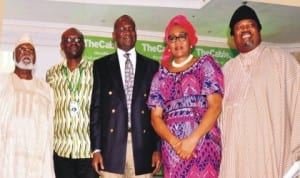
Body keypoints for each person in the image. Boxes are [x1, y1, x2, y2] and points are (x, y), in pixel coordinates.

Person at [219, 5, 300, 178]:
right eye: (239, 27)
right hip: (236, 163)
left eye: (251, 25)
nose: (245, 29)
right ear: (232, 37)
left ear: (259, 30)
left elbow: (298, 101)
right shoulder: (226, 71)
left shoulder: (282, 60)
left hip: (273, 159)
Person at [147, 15, 224, 177]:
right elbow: (155, 118)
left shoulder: (205, 65)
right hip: (173, 151)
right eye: (172, 38)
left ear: (191, 40)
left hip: (203, 145)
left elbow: (216, 106)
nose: (177, 41)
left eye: (182, 36)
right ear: (168, 44)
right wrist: (176, 144)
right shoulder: (160, 75)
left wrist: (192, 140)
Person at [90, 14, 161, 178]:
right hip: (111, 148)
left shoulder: (151, 66)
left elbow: (157, 111)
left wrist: (157, 148)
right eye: (122, 29)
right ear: (114, 35)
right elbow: (96, 110)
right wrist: (96, 149)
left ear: (136, 34)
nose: (127, 32)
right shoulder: (101, 65)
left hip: (143, 147)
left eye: (130, 28)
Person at [0, 34, 55, 178]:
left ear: (35, 57)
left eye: (31, 51)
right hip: (8, 155)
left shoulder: (46, 89)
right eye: (22, 49)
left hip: (37, 157)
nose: (26, 53)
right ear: (13, 55)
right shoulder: (2, 82)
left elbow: (50, 127)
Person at [46, 27, 98, 178]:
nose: (73, 43)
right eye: (68, 40)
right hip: (61, 150)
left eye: (77, 40)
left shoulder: (96, 70)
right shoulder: (52, 73)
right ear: (62, 46)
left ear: (84, 45)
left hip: (88, 151)